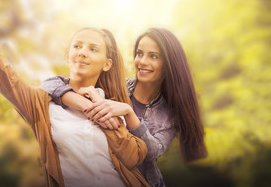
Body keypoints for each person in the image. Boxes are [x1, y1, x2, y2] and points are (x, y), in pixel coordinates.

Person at [0, 0, 150, 187]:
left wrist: (117, 116)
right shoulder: (42, 104)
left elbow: (132, 158)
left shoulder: (111, 105)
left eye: (93, 49)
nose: (82, 52)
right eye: (77, 46)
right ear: (68, 56)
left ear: (106, 64)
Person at [41, 27, 208, 187]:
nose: (142, 62)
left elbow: (151, 153)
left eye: (153, 56)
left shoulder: (170, 112)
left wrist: (129, 113)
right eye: (139, 53)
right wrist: (81, 103)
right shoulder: (119, 87)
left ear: (169, 63)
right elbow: (49, 85)